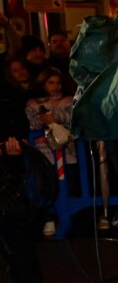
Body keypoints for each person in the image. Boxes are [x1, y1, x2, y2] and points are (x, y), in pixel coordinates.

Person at [0, 74, 57, 283]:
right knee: (13, 236)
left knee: (15, 235)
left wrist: (15, 143)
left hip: (8, 168)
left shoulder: (5, 84)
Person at [24, 68, 75, 236]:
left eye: (58, 82)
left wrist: (55, 118)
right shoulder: (33, 104)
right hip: (43, 152)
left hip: (65, 151)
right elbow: (34, 122)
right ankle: (48, 217)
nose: (55, 86)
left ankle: (68, 217)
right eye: (51, 82)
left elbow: (71, 117)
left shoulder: (68, 101)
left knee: (67, 185)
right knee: (45, 185)